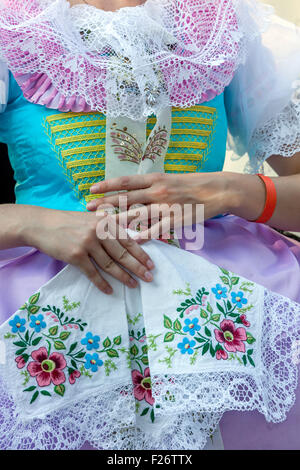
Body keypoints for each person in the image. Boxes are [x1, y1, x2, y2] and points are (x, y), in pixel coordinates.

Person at [0, 0, 300, 450]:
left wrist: (235, 191)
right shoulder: (15, 26)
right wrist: (29, 220)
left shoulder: (224, 24)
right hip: (44, 303)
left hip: (236, 299)